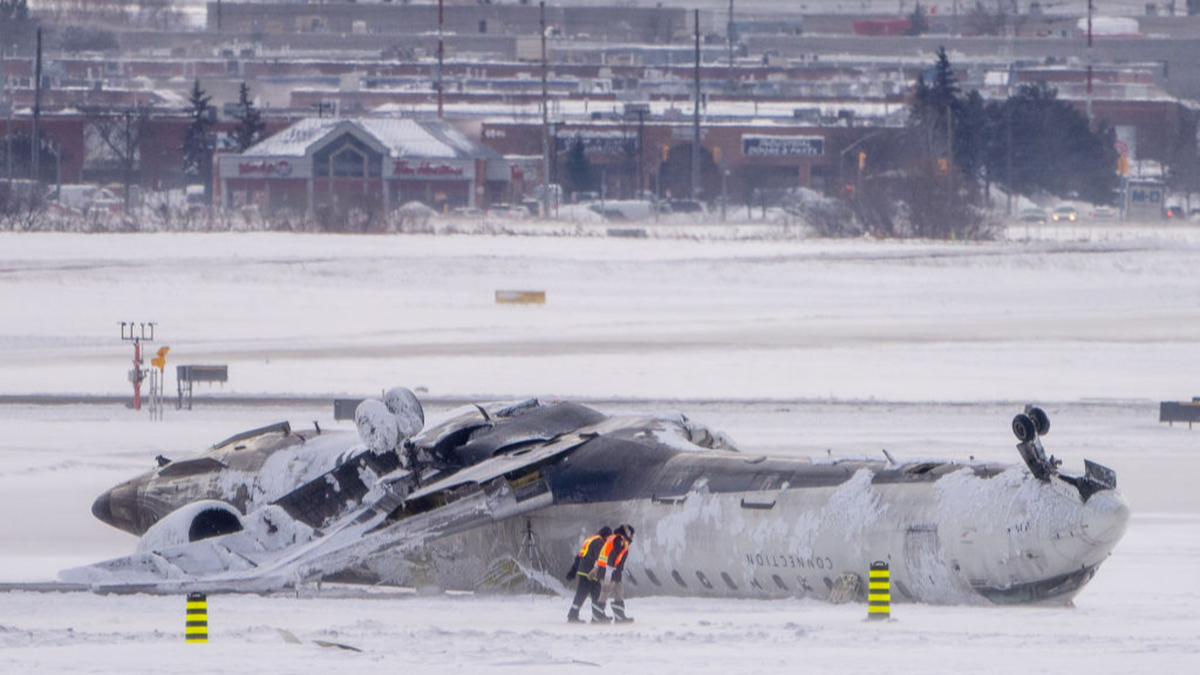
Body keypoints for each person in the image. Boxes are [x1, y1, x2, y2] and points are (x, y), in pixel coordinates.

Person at [565, 525, 611, 623]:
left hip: (585, 570)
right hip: (590, 572)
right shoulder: (599, 541)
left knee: (595, 594)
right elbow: (600, 558)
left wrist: (573, 571)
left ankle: (598, 615)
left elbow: (579, 557)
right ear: (605, 535)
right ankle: (573, 615)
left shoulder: (589, 540)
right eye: (609, 537)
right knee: (582, 594)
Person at [595, 524, 636, 623]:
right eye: (632, 534)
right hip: (608, 570)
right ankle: (597, 616)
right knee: (606, 591)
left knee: (619, 590)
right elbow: (612, 555)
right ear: (628, 533)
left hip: (614, 571)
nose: (632, 537)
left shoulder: (619, 540)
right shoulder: (619, 540)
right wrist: (608, 572)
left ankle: (619, 615)